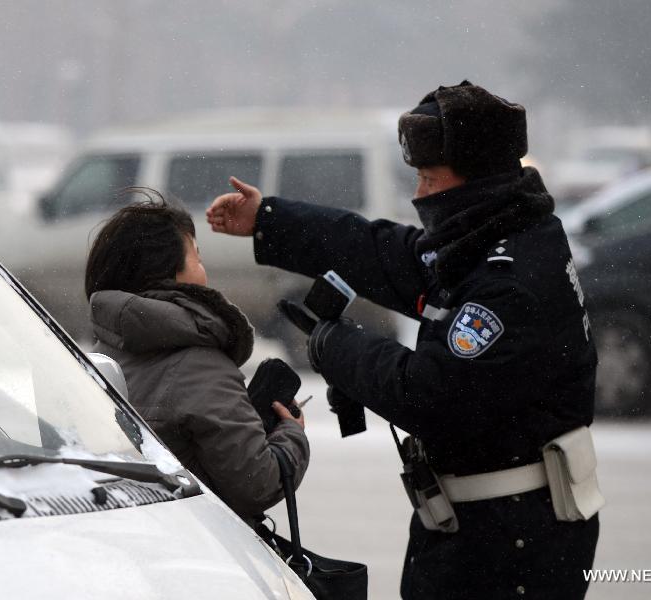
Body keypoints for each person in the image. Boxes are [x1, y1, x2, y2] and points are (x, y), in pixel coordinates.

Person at [207, 81, 600, 598]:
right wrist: (270, 221)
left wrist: (335, 345)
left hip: (510, 547)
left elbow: (431, 394)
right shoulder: (495, 237)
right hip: (488, 527)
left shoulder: (508, 281)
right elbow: (382, 253)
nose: (417, 194)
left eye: (429, 178)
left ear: (471, 185)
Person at [85, 189, 309, 521]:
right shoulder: (201, 365)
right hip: (197, 550)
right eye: (197, 259)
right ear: (167, 273)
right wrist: (291, 434)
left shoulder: (95, 359)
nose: (205, 273)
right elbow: (258, 483)